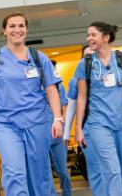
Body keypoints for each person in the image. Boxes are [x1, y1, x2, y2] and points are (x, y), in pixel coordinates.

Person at [0, 12, 64, 195]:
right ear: (4, 30)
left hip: (38, 123)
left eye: (21, 26)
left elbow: (51, 90)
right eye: (12, 26)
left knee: (39, 176)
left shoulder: (38, 57)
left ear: (26, 29)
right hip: (6, 125)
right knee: (14, 172)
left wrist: (57, 118)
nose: (17, 29)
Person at [74, 22, 122, 196]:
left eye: (93, 35)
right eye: (88, 35)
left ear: (106, 37)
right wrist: (78, 129)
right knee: (111, 169)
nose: (89, 38)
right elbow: (81, 97)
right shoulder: (85, 64)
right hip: (98, 124)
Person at [65, 45, 104, 195]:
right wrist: (67, 132)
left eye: (93, 55)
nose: (90, 59)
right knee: (94, 167)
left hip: (109, 127)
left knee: (111, 166)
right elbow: (72, 105)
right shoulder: (76, 81)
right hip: (88, 129)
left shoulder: (108, 73)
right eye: (86, 56)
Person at [48, 60, 72, 196]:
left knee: (62, 171)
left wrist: (65, 130)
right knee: (45, 172)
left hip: (57, 137)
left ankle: (67, 194)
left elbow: (64, 106)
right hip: (41, 136)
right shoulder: (34, 86)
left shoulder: (59, 86)